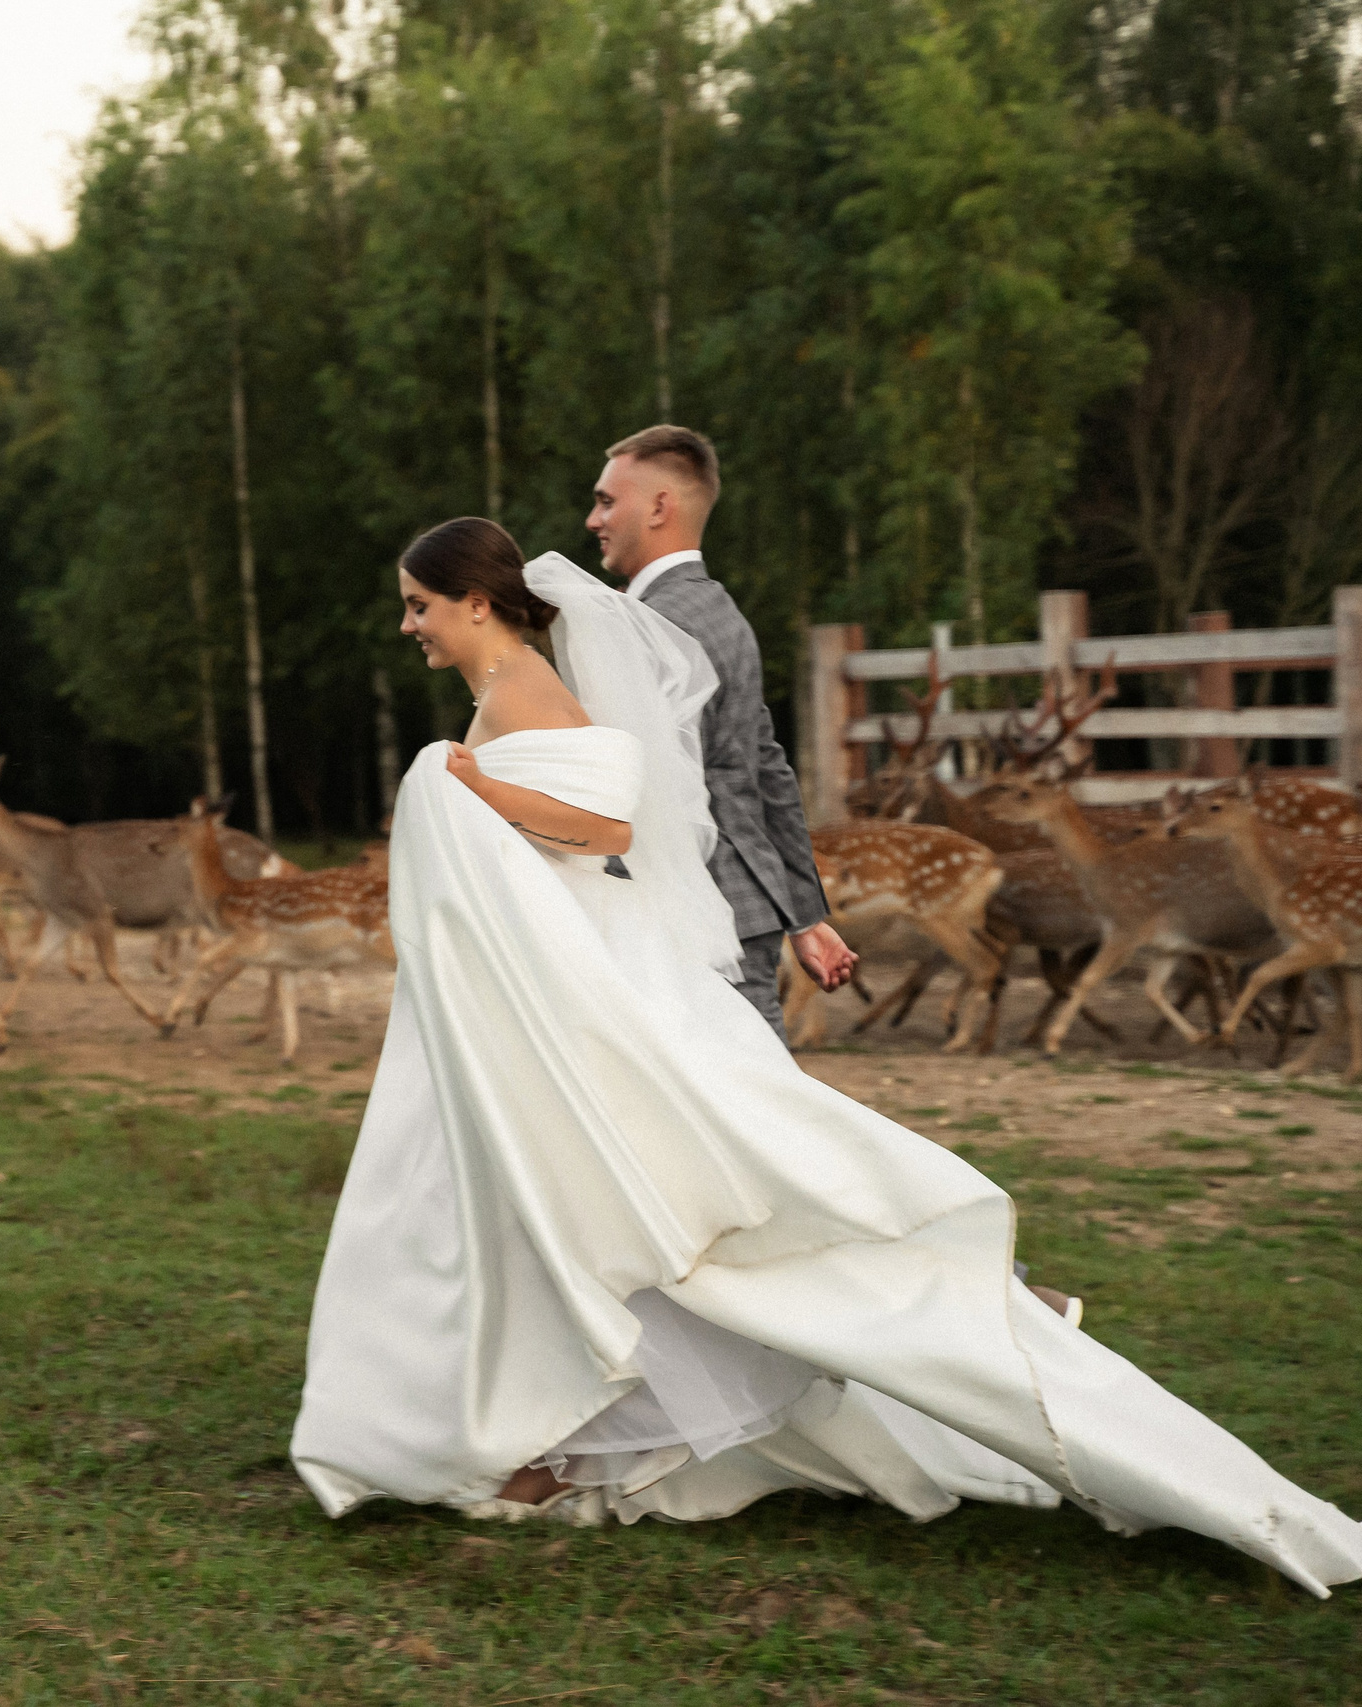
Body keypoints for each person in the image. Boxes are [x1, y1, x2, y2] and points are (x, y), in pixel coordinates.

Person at [287, 517, 1362, 1595]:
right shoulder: (500, 694)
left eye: (419, 604)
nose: (409, 625)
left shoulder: (523, 690)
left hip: (594, 989)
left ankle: (950, 1307)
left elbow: (604, 827)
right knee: (584, 1204)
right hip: (561, 983)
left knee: (668, 1198)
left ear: (475, 602)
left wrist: (468, 787)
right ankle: (555, 1438)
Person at [586, 426, 854, 1037]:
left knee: (745, 1093)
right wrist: (804, 915)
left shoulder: (656, 623)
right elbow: (765, 767)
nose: (593, 519)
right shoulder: (722, 612)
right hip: (739, 908)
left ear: (660, 506)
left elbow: (642, 787)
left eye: (606, 501)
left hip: (690, 918)